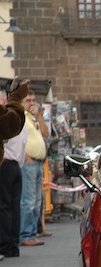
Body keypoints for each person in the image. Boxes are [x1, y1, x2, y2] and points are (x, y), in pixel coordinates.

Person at [0, 78, 30, 261]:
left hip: (11, 165)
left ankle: (10, 244)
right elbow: (11, 124)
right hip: (10, 165)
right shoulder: (15, 115)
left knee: (9, 206)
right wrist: (16, 97)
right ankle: (9, 244)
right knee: (8, 206)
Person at [19, 88, 49, 247]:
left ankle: (32, 233)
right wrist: (25, 157)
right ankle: (25, 235)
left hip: (38, 163)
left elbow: (46, 133)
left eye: (33, 100)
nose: (31, 103)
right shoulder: (20, 117)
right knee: (28, 201)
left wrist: (38, 116)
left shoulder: (33, 117)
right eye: (28, 101)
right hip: (29, 164)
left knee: (37, 201)